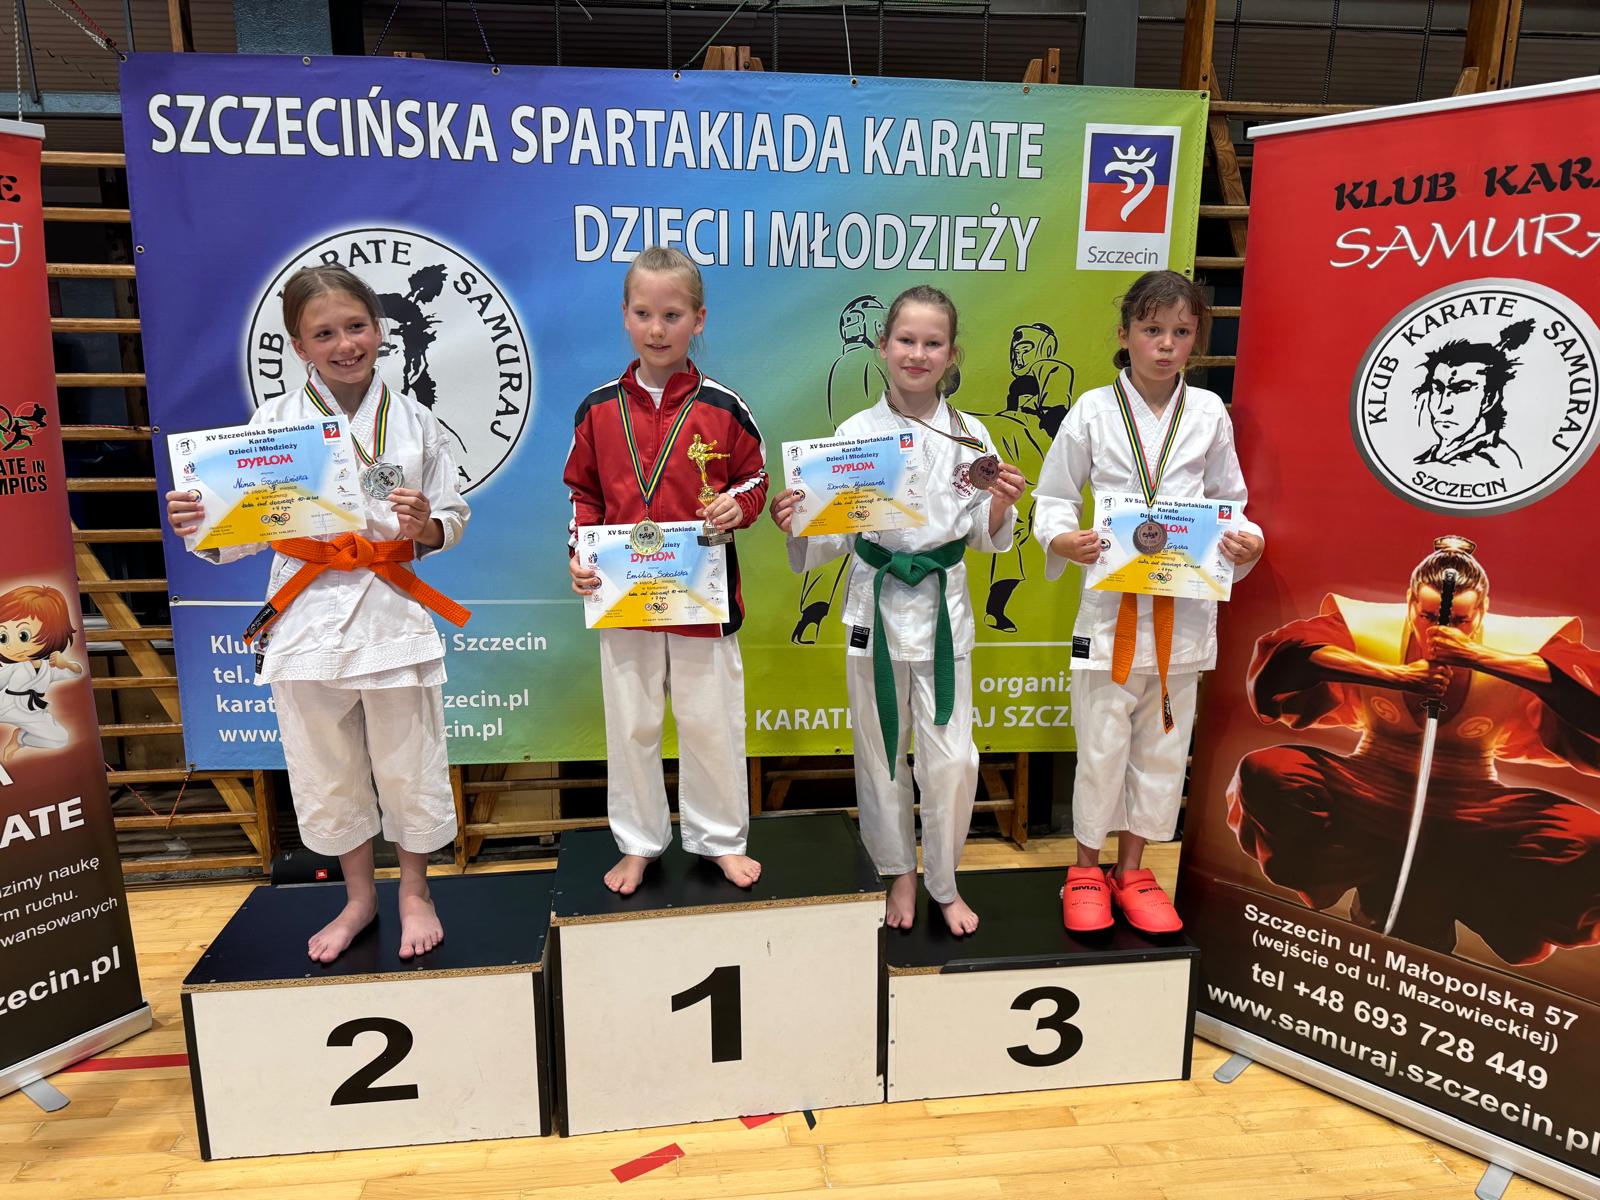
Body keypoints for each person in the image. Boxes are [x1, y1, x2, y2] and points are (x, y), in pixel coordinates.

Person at [166, 264, 470, 964]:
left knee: (409, 762)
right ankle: (359, 897)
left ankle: (415, 891)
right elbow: (243, 529)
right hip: (304, 613)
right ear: (299, 347)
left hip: (390, 611)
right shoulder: (272, 425)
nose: (344, 344)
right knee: (325, 768)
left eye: (356, 326)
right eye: (324, 334)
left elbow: (452, 516)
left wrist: (425, 525)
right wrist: (201, 523)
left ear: (379, 330)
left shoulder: (417, 423)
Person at [770, 285, 1026, 937]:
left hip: (943, 610)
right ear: (883, 346)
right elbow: (830, 536)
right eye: (906, 340)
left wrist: (1001, 502)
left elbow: (983, 536)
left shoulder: (972, 436)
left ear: (951, 353)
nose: (918, 353)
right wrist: (797, 520)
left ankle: (944, 878)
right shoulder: (855, 435)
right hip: (875, 605)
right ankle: (898, 873)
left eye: (932, 343)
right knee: (881, 750)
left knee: (954, 759)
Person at [1227, 536, 1600, 965]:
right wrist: (1395, 676)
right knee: (1267, 771)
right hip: (1367, 790)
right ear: (1410, 604)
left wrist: (1481, 658)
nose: (1441, 629)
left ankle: (1476, 898)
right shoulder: (1372, 629)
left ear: (1481, 611)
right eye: (1427, 616)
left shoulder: (1521, 645)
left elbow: (1587, 689)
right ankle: (1359, 874)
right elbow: (1287, 655)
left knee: (1589, 844)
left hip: (1473, 806)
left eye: (1460, 620)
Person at [1035, 270, 1264, 935]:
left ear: (1197, 340)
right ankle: (1085, 868)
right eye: (1152, 329)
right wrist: (1062, 537)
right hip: (1110, 613)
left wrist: (1245, 541)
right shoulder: (1092, 411)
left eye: (1181, 332)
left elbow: (1230, 502)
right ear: (1125, 334)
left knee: (1163, 748)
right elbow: (1054, 496)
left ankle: (1133, 870)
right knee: (1101, 746)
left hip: (1183, 610)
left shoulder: (1210, 413)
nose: (1166, 345)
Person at [565, 246, 768, 896]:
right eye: (644, 314)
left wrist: (737, 506)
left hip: (703, 598)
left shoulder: (725, 408)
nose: (657, 329)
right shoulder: (597, 408)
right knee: (633, 724)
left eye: (673, 315)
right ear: (624, 316)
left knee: (711, 723)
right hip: (624, 598)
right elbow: (583, 493)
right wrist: (578, 552)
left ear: (698, 319)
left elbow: (756, 479)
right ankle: (638, 841)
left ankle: (720, 839)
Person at [0, 584, 83, 763]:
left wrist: (66, 663)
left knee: (59, 739)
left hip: (31, 711)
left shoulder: (48, 667)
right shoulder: (15, 667)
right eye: (3, 637)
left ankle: (20, 738)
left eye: (23, 636)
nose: (11, 646)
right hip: (4, 705)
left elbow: (77, 672)